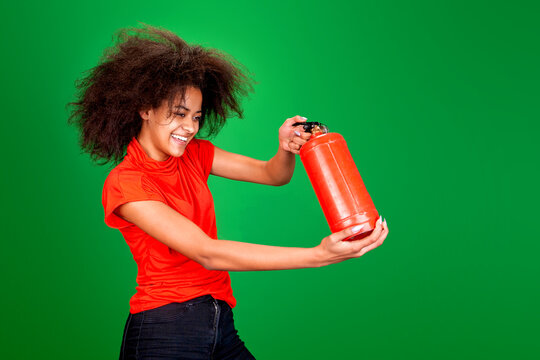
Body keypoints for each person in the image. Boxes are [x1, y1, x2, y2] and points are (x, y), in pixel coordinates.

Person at [68, 25, 388, 360]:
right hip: (165, 329)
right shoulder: (126, 182)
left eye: (196, 117)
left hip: (218, 320)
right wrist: (318, 255)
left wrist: (285, 148)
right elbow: (207, 252)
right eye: (178, 114)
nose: (190, 127)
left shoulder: (197, 154)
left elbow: (272, 175)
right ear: (145, 108)